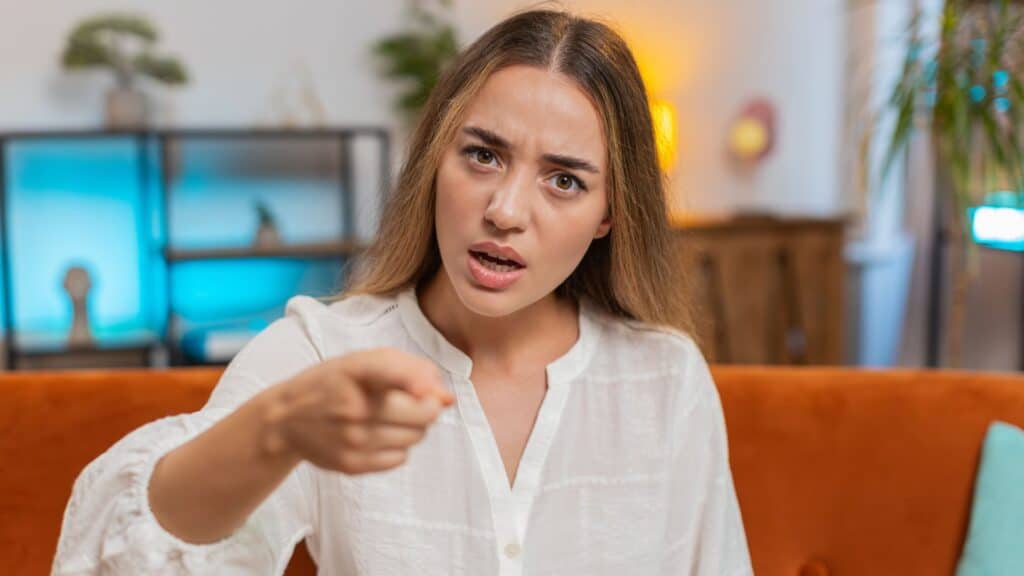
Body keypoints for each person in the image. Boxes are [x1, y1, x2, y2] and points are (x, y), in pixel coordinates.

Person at [52, 8, 752, 575]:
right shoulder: (323, 352)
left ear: (609, 214)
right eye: (483, 154)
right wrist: (281, 427)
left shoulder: (666, 377)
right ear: (433, 160)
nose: (506, 210)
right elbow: (130, 559)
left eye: (563, 179)